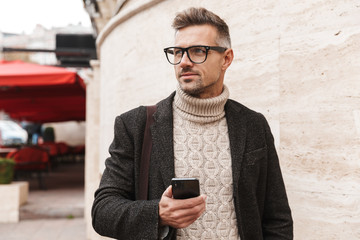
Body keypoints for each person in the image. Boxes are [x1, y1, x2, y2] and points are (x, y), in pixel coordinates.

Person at [92, 7, 293, 240]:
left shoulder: (253, 125)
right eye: (178, 52)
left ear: (226, 58)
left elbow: (277, 218)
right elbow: (102, 211)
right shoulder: (135, 125)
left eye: (198, 51)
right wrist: (157, 213)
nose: (184, 62)